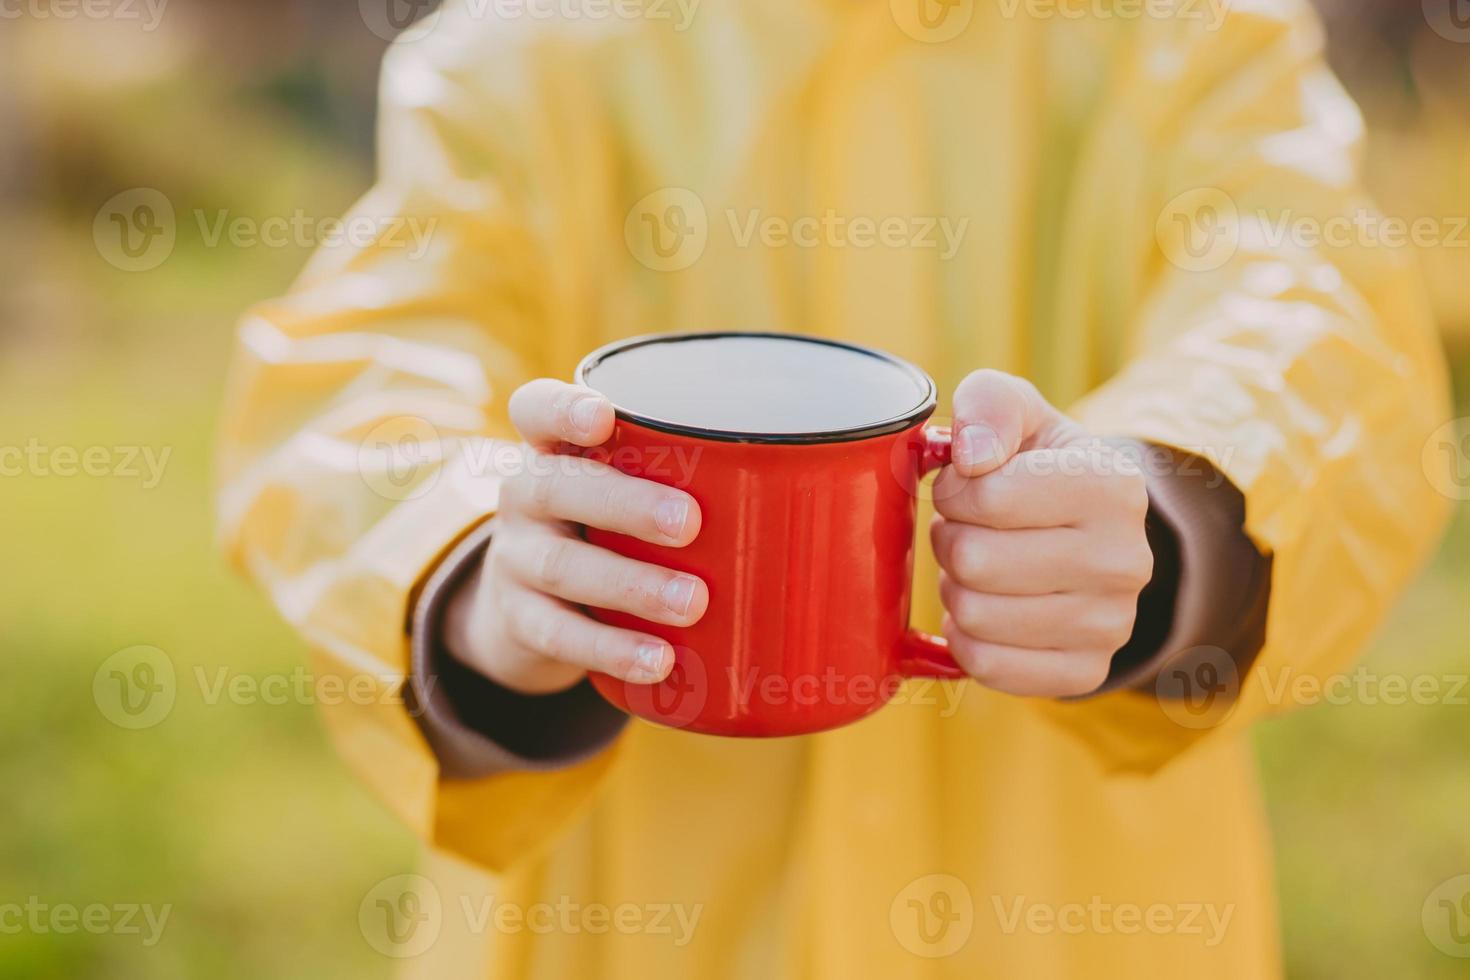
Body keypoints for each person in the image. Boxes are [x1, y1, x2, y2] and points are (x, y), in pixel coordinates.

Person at [216, 0, 1451, 976]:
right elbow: (358, 386)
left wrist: (1165, 514)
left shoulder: (1192, 41)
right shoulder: (518, 59)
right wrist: (489, 572)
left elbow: (1311, 310)